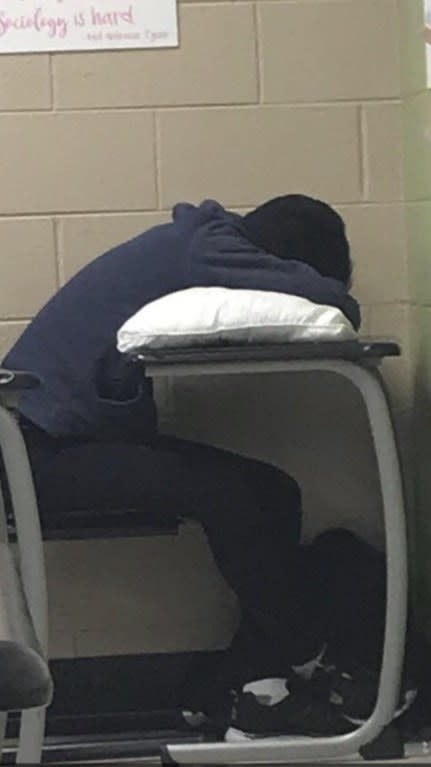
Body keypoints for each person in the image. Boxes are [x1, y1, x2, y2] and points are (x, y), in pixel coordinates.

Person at [3, 195, 359, 735]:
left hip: (49, 442)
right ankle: (291, 662)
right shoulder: (211, 246)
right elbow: (335, 304)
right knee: (232, 496)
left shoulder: (197, 240)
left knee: (271, 490)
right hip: (31, 451)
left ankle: (250, 682)